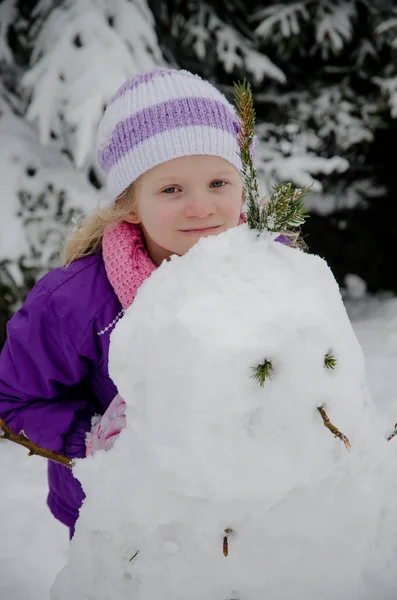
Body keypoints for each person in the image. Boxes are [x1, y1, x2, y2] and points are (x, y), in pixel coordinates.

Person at [0, 68, 248, 539]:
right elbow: (14, 396)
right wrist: (92, 440)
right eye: (171, 189)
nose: (202, 207)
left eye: (218, 182)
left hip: (247, 514)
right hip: (126, 526)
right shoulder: (74, 302)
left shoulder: (274, 269)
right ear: (130, 204)